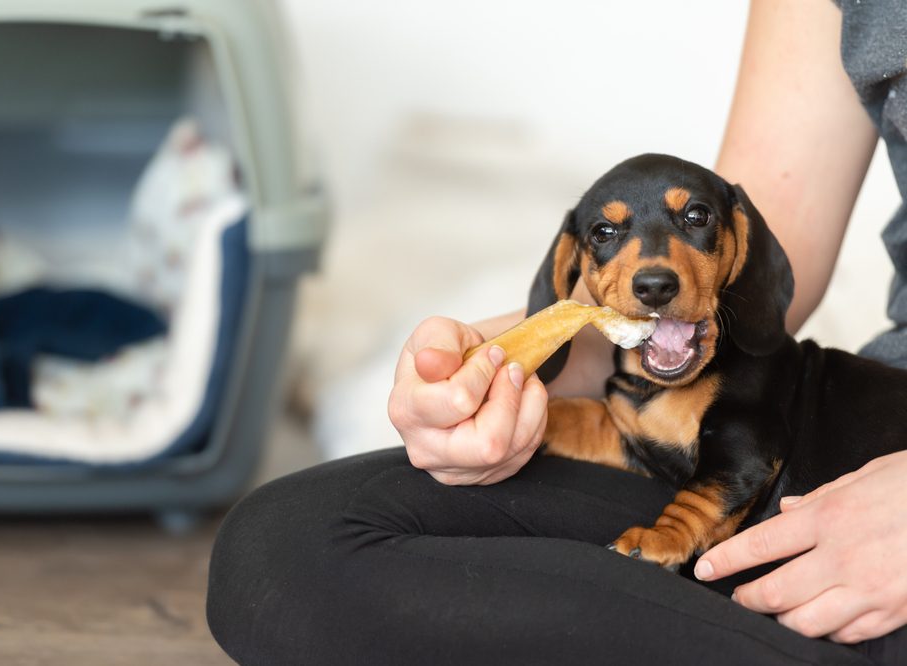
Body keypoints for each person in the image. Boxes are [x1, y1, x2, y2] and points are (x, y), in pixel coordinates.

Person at [207, 0, 907, 663]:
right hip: (797, 523)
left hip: (833, 493)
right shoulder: (668, 348)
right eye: (609, 234)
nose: (655, 268)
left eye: (689, 224)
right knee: (284, 547)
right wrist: (489, 371)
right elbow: (777, 219)